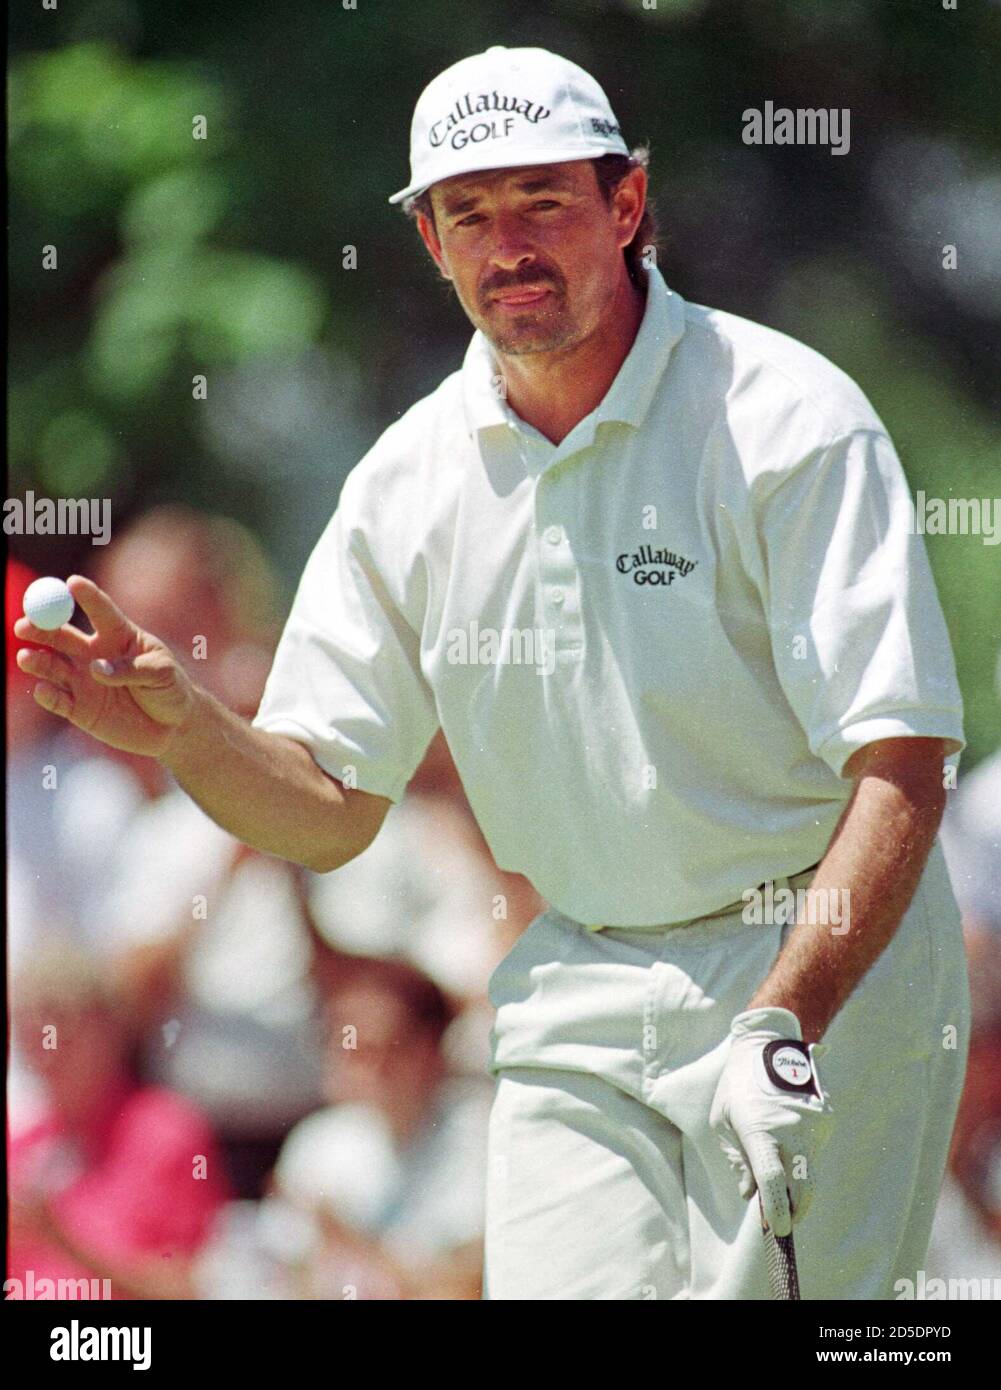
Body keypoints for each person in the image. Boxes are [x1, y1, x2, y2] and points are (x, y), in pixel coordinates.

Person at [13, 45, 970, 1299]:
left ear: (625, 205)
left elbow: (899, 765)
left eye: (543, 203)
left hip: (817, 956)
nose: (506, 244)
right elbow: (327, 804)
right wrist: (187, 728)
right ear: (429, 243)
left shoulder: (792, 418)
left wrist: (781, 1022)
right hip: (576, 971)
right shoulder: (403, 483)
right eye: (468, 213)